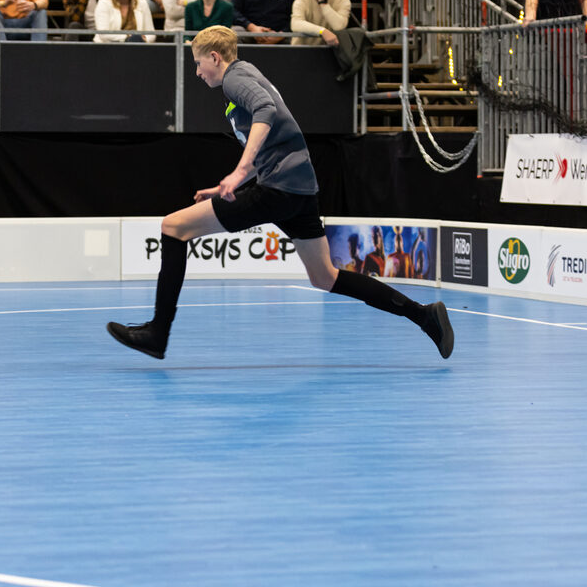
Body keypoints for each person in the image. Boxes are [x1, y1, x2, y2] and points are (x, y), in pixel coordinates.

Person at [105, 25, 452, 360]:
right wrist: (232, 183)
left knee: (173, 227)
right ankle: (424, 315)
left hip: (279, 190)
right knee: (324, 277)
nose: (197, 72)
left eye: (198, 63)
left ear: (214, 57)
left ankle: (157, 334)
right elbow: (275, 141)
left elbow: (265, 111)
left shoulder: (235, 79)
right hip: (299, 190)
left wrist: (239, 171)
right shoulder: (249, 73)